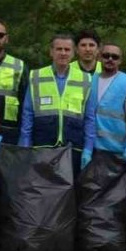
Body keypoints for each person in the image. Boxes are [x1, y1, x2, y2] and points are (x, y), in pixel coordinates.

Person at [20, 33, 97, 179]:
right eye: (59, 49)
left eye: (67, 50)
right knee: (43, 188)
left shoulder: (85, 79)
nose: (63, 53)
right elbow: (28, 113)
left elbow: (89, 118)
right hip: (42, 146)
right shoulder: (36, 76)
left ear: (73, 53)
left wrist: (88, 149)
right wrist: (25, 144)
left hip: (73, 147)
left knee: (71, 189)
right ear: (51, 51)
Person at [93, 43, 126, 162]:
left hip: (116, 149)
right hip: (92, 146)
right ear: (99, 57)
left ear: (120, 61)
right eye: (106, 55)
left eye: (115, 57)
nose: (110, 59)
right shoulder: (91, 80)